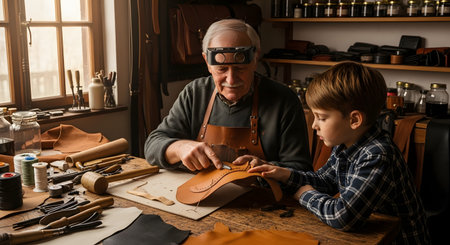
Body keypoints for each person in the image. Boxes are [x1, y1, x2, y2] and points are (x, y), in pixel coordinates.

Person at [248, 62, 430, 244]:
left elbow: (344, 216)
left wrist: (304, 194)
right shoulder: (346, 144)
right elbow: (324, 182)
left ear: (354, 120)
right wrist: (283, 174)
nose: (314, 125)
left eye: (322, 117)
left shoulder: (377, 155)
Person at [144, 19, 312, 172]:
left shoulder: (284, 100)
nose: (231, 80)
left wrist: (268, 168)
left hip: (260, 200)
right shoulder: (195, 93)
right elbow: (152, 146)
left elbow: (301, 169)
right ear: (207, 63)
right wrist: (179, 148)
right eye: (222, 69)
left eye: (240, 69)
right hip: (201, 196)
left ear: (255, 59)